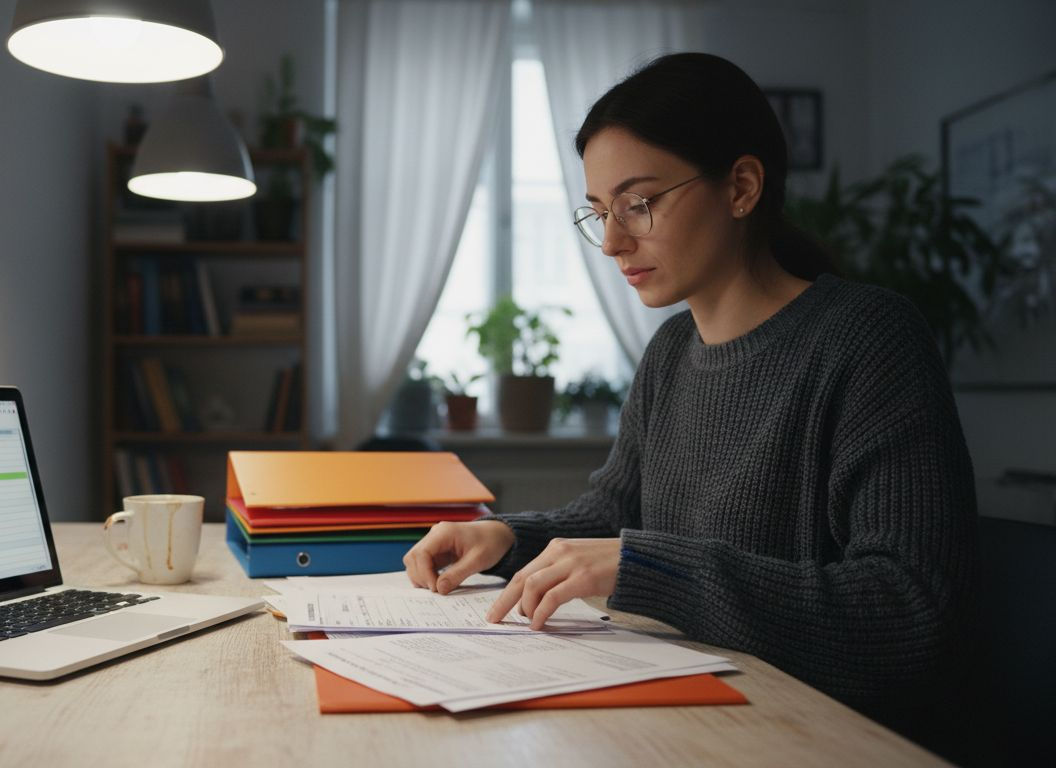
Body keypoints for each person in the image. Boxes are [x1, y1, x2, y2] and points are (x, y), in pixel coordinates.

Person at [403, 52, 976, 745]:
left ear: (741, 187)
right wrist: (503, 537)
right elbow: (613, 515)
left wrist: (650, 569)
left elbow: (906, 612)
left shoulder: (869, 340)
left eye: (638, 204)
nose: (612, 242)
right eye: (599, 213)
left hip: (815, 739)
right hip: (689, 718)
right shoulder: (671, 350)